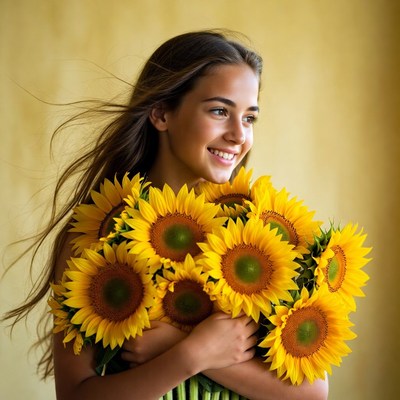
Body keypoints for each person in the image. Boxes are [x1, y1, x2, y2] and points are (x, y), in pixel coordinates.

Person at [3, 30, 329, 399]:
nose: (239, 135)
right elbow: (75, 395)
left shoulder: (260, 238)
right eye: (220, 111)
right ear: (161, 114)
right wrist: (190, 355)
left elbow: (311, 393)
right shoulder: (98, 238)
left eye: (250, 117)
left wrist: (175, 342)